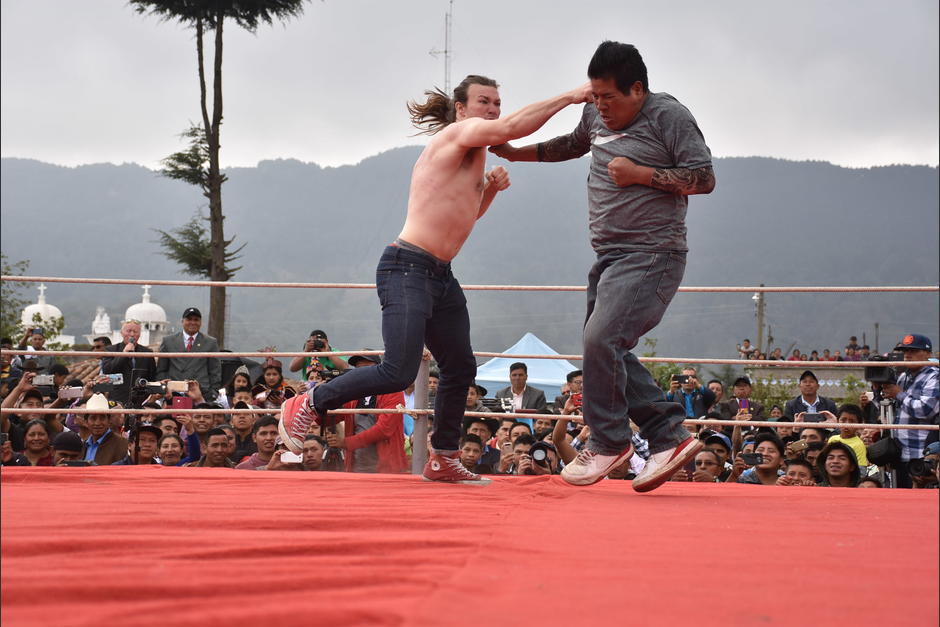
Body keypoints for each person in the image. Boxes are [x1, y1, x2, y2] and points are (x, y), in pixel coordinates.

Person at [279, 74, 593, 485]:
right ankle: (311, 400)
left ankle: (443, 457)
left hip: (440, 275)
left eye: (498, 102)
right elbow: (511, 129)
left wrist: (490, 192)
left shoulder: (473, 152)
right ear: (461, 109)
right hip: (406, 267)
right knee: (398, 370)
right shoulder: (457, 134)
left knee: (461, 366)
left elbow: (462, 216)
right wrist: (572, 95)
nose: (493, 109)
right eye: (485, 101)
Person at [491, 42, 714, 491]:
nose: (600, 106)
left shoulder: (668, 116)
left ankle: (609, 443)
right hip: (610, 255)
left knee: (602, 339)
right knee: (605, 349)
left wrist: (641, 174)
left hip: (653, 252)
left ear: (637, 89)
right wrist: (518, 154)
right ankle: (668, 436)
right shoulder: (595, 113)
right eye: (595, 96)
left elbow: (703, 177)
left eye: (609, 97)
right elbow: (573, 144)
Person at [879, 334, 939, 487]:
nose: (907, 355)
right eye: (905, 351)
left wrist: (898, 394)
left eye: (913, 351)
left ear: (928, 354)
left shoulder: (934, 376)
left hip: (923, 453)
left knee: (921, 502)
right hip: (900, 451)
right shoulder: (903, 377)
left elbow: (926, 409)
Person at [156, 307, 221, 401]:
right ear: (182, 321)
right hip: (174, 393)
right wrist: (165, 389)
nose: (192, 322)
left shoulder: (210, 342)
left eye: (196, 320)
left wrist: (213, 393)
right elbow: (161, 370)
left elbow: (215, 371)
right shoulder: (168, 341)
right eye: (189, 319)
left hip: (201, 393)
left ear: (201, 322)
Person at [100, 319, 157, 404]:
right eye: (129, 331)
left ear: (140, 334)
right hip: (117, 398)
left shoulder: (147, 352)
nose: (132, 334)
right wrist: (124, 354)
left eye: (135, 332)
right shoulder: (111, 350)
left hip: (141, 399)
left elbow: (152, 376)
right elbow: (107, 370)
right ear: (121, 333)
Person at [81, 393, 130, 466]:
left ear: (109, 420)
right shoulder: (83, 445)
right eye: (93, 418)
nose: (97, 423)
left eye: (102, 418)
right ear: (86, 422)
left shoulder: (122, 444)